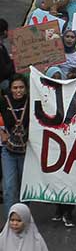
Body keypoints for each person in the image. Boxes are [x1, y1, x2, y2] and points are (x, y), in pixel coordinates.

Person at [0, 76, 29, 214]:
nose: (18, 91)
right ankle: (10, 224)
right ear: (10, 89)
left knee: (25, 188)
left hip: (27, 151)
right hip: (8, 150)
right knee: (9, 187)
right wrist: (1, 132)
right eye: (15, 88)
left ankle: (23, 220)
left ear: (26, 89)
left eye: (21, 87)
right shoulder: (4, 101)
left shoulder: (32, 101)